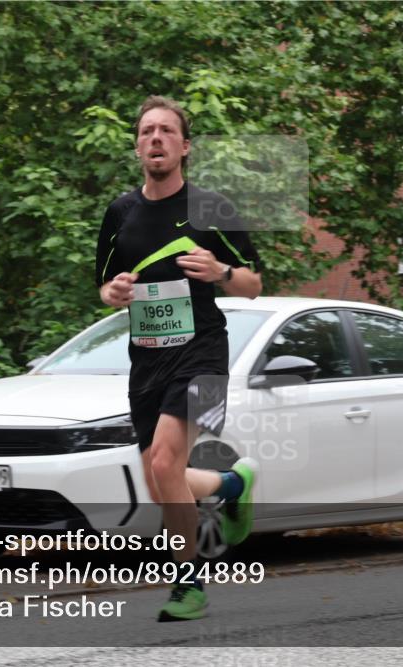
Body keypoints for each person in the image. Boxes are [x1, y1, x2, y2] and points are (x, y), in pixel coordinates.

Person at [95, 95, 262, 622]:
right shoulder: (120, 212)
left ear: (184, 147)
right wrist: (114, 291)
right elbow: (103, 285)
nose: (156, 139)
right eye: (147, 132)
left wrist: (220, 273)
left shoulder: (210, 209)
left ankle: (187, 585)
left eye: (167, 131)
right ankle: (231, 485)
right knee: (159, 477)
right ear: (137, 146)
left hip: (205, 356)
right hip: (147, 360)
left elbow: (254, 285)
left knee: (166, 464)